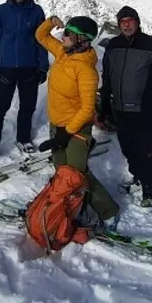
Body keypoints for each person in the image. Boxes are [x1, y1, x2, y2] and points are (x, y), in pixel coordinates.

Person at [35, 14, 119, 225]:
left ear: (81, 39)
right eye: (65, 32)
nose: (63, 36)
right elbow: (40, 36)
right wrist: (51, 21)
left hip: (77, 129)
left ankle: (107, 211)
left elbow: (88, 108)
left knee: (76, 173)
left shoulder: (86, 71)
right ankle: (69, 207)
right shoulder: (63, 53)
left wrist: (68, 131)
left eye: (68, 34)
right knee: (61, 169)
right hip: (57, 125)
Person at [97, 6, 152, 207]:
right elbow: (107, 77)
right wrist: (104, 105)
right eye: (123, 21)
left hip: (143, 108)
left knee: (145, 148)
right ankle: (138, 176)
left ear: (137, 22)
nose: (126, 24)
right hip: (119, 108)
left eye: (130, 20)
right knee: (127, 146)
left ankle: (149, 186)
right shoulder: (113, 45)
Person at [0, 0, 49, 159]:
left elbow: (41, 40)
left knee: (27, 107)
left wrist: (43, 66)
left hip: (29, 67)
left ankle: (23, 138)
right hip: (6, 68)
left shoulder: (36, 11)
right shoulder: (1, 11)